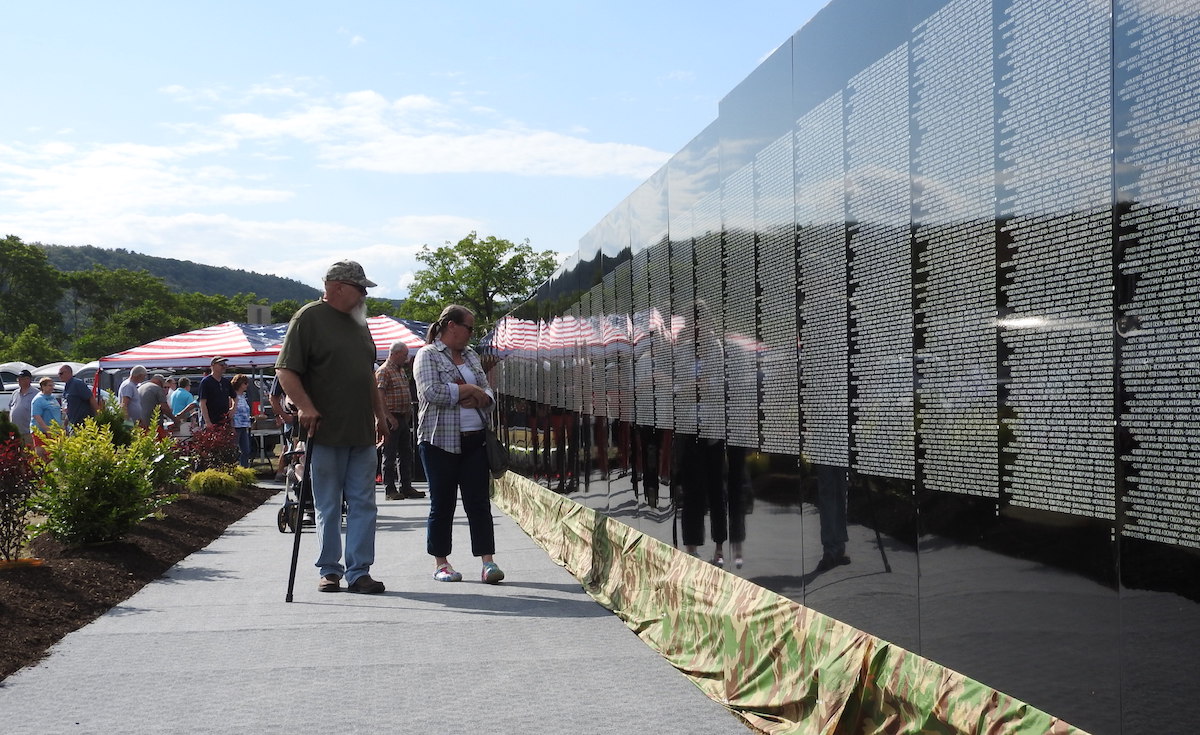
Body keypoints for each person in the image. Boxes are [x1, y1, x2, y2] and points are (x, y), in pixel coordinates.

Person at [275, 260, 390, 594]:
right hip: (323, 431)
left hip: (360, 432)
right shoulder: (308, 318)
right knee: (327, 503)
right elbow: (285, 370)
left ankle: (359, 571)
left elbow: (367, 374)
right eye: (360, 288)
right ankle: (329, 570)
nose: (364, 294)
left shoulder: (359, 323)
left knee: (364, 502)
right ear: (337, 286)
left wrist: (379, 415)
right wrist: (306, 407)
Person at [414, 304, 505, 585]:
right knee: (442, 504)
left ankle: (487, 563)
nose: (471, 333)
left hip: (475, 440)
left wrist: (482, 396)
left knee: (479, 503)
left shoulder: (470, 355)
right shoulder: (427, 354)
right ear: (451, 326)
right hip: (439, 441)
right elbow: (431, 392)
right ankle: (441, 563)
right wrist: (467, 391)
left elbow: (488, 391)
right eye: (469, 327)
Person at [376, 340, 423, 500]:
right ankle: (390, 489)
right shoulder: (384, 371)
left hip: (402, 416)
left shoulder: (400, 370)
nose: (406, 358)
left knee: (406, 453)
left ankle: (406, 485)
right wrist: (388, 417)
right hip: (392, 417)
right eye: (404, 355)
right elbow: (379, 395)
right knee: (389, 454)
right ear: (395, 354)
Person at [57, 363, 99, 430]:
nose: (59, 376)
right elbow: (69, 407)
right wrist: (65, 424)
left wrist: (98, 415)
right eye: (59, 374)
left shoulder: (77, 383)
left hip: (84, 423)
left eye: (61, 373)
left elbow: (91, 398)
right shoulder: (67, 387)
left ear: (68, 373)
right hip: (73, 424)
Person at [29, 377, 62, 460]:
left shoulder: (53, 398)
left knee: (54, 455)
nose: (52, 387)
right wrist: (47, 430)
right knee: (42, 454)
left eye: (52, 385)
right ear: (43, 387)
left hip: (55, 431)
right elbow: (36, 416)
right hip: (41, 432)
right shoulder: (38, 399)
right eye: (49, 385)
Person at [199, 357, 234, 427]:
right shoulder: (206, 382)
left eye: (225, 364)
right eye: (221, 364)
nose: (224, 366)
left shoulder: (226, 382)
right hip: (212, 422)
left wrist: (233, 409)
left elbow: (235, 397)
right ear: (213, 366)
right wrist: (207, 422)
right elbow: (202, 403)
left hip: (225, 422)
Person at [7, 369, 38, 448]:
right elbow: (11, 407)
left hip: (28, 432)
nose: (19, 381)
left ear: (28, 379)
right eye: (19, 379)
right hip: (16, 433)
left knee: (29, 455)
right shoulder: (15, 393)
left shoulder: (36, 394)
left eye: (22, 379)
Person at [231, 373, 253, 468]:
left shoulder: (243, 396)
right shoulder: (233, 397)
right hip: (235, 426)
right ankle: (233, 468)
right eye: (245, 383)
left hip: (244, 426)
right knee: (234, 450)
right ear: (240, 384)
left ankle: (244, 468)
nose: (247, 385)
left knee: (246, 450)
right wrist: (231, 426)